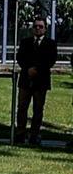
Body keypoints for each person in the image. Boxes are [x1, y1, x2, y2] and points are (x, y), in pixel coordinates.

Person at [15, 16, 58, 145]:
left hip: (41, 81)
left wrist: (37, 69)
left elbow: (51, 60)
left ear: (45, 29)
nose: (38, 29)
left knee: (38, 109)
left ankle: (34, 134)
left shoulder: (50, 44)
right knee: (22, 107)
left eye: (40, 26)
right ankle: (20, 133)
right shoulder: (25, 42)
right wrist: (28, 68)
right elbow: (20, 57)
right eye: (35, 26)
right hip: (25, 80)